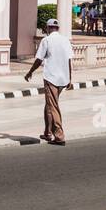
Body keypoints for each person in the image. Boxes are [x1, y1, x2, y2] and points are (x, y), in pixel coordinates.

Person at [25, 17, 73, 146]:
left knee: (53, 107)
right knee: (49, 105)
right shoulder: (65, 40)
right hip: (63, 79)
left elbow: (39, 59)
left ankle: (59, 135)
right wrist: (70, 79)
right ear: (57, 28)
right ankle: (47, 132)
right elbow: (69, 60)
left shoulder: (46, 40)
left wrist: (30, 72)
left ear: (48, 28)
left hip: (51, 78)